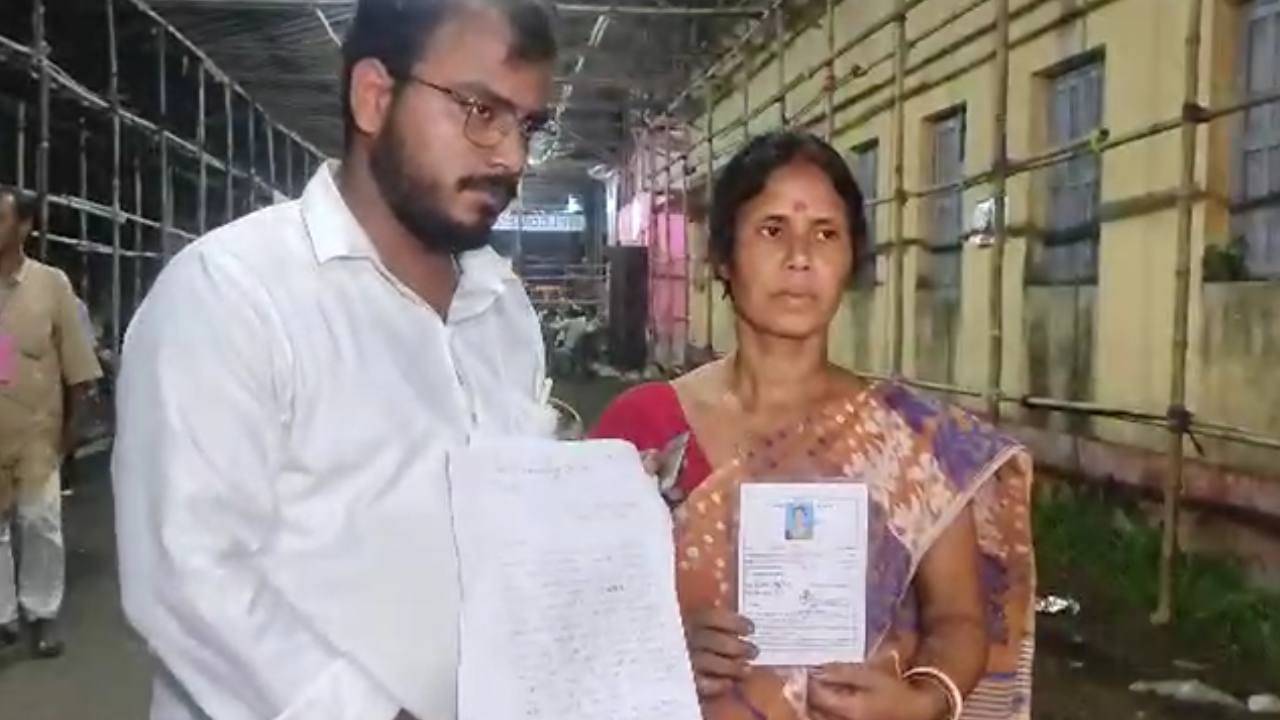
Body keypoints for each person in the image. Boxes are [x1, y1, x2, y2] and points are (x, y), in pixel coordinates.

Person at [111, 2, 557, 719]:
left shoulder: (503, 310)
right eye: (481, 110)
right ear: (374, 96)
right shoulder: (234, 293)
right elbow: (188, 578)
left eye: (528, 125)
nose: (512, 157)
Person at [592, 131, 1035, 720]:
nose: (800, 257)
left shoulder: (913, 439)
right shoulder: (641, 429)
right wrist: (662, 649)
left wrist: (924, 700)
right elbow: (576, 609)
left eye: (826, 233)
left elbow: (957, 619)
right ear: (722, 256)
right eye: (772, 230)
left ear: (851, 260)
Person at [0, 185, 104, 658]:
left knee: (39, 521)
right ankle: (3, 617)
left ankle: (41, 613)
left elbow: (79, 366)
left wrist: (72, 431)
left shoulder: (51, 286)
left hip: (38, 433)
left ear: (24, 227)